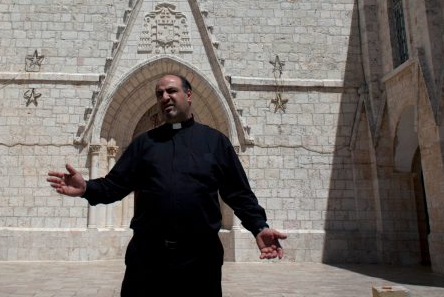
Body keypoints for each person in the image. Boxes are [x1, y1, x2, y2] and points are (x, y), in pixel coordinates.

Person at [47, 74, 286, 296]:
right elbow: (115, 185)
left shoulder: (215, 143)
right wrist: (86, 188)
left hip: (199, 260)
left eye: (171, 91)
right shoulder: (144, 144)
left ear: (188, 95)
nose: (164, 98)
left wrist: (259, 226)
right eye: (159, 94)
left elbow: (239, 193)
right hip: (147, 258)